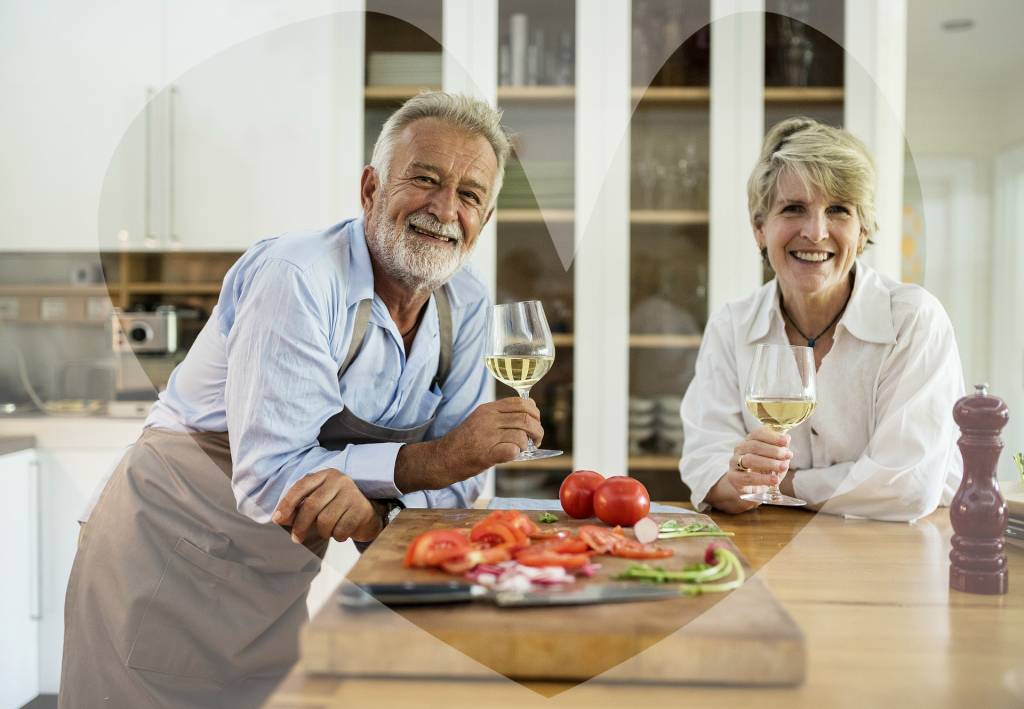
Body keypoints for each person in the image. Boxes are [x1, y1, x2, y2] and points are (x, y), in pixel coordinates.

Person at [59, 92, 543, 708]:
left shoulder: (466, 303)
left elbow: (460, 489)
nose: (445, 209)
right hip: (168, 551)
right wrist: (432, 464)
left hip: (277, 572)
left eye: (470, 195)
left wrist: (384, 512)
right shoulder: (299, 277)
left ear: (485, 218)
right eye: (425, 179)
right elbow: (271, 477)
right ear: (370, 189)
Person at [680, 116, 963, 522]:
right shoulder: (732, 325)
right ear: (760, 228)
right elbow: (705, 467)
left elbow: (905, 486)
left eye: (838, 210)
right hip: (770, 549)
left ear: (863, 231)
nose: (815, 232)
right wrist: (736, 479)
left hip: (900, 554)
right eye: (793, 208)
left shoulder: (912, 321)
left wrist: (774, 484)